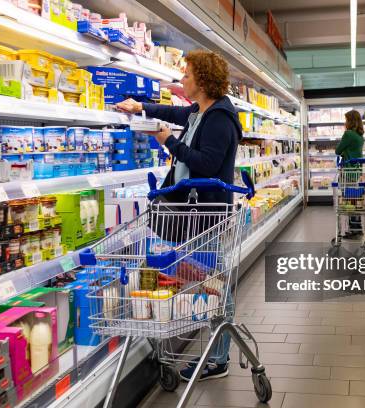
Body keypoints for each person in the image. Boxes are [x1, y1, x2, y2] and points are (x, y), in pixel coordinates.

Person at [116, 49, 241, 381]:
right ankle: (217, 351)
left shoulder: (220, 118)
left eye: (186, 75)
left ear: (202, 80)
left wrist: (170, 142)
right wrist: (141, 106)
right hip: (194, 212)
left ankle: (219, 358)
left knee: (215, 283)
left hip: (209, 213)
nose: (181, 79)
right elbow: (175, 111)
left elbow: (206, 164)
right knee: (209, 279)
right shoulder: (201, 111)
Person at [335, 109, 365, 239]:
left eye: (346, 119)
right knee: (354, 198)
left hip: (348, 171)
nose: (345, 122)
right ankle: (356, 227)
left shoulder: (348, 134)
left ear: (350, 121)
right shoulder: (359, 136)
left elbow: (337, 150)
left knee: (349, 199)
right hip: (356, 170)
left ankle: (354, 228)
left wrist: (343, 151)